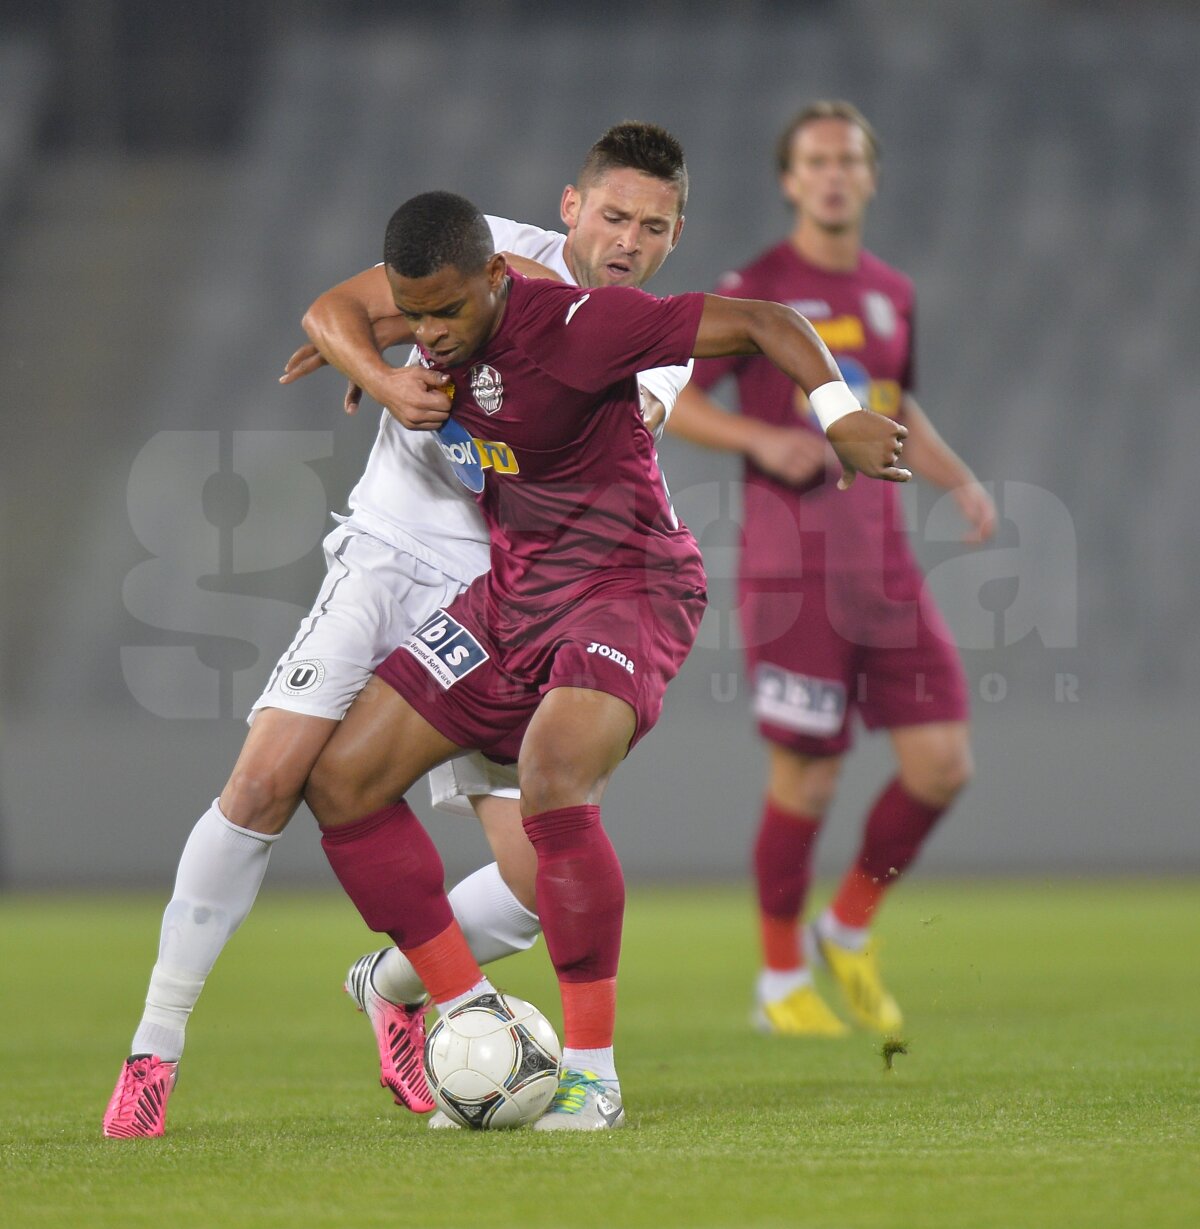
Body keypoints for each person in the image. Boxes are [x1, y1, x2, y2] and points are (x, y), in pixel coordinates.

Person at [102, 122, 695, 1140]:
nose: (628, 238)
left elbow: (559, 413)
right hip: (385, 553)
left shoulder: (642, 337)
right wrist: (387, 374)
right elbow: (335, 308)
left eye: (652, 226)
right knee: (269, 780)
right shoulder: (480, 251)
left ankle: (398, 983)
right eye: (613, 215)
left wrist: (435, 365)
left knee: (545, 875)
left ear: (675, 237)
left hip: (505, 588)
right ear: (571, 208)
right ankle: (154, 1053)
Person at [301, 189, 909, 1130]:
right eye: (413, 315)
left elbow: (764, 321)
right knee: (341, 780)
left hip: (631, 584)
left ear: (499, 279)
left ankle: (592, 1079)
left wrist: (838, 415)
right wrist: (369, 366)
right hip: (514, 595)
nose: (430, 333)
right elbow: (339, 314)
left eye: (447, 311)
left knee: (551, 776)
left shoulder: (586, 326)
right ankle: (466, 1010)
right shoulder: (433, 339)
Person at [665, 101, 996, 1038]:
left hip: (885, 569)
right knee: (805, 782)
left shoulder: (893, 289)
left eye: (848, 159)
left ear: (871, 175)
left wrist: (957, 477)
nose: (834, 175)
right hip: (793, 571)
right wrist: (765, 440)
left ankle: (846, 924)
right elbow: (677, 401)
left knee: (942, 765)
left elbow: (894, 408)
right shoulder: (759, 289)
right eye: (815, 161)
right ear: (789, 179)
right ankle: (779, 982)